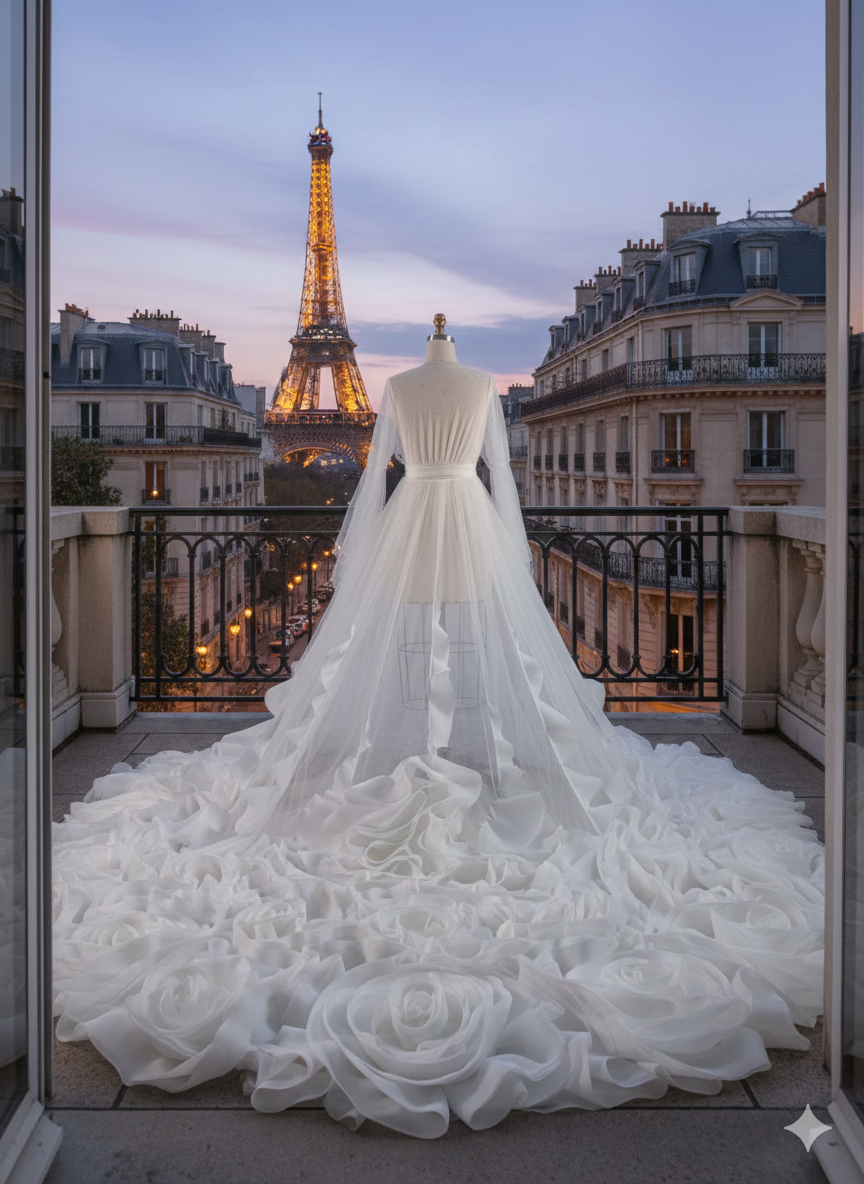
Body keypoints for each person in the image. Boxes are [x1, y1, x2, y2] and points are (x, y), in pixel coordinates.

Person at [53, 320, 823, 1139]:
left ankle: (410, 751)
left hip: (416, 514)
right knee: (478, 648)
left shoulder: (403, 390)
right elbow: (499, 481)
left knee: (396, 648)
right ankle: (474, 759)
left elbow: (384, 470)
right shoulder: (470, 389)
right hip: (465, 517)